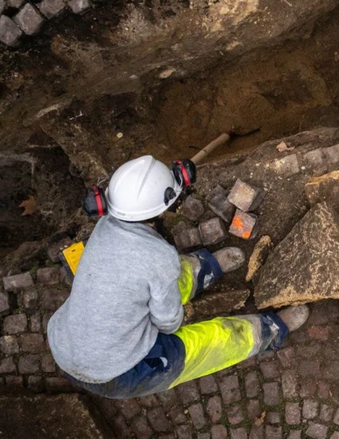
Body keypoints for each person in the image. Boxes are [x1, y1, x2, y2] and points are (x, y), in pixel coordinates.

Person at [47, 155, 308, 399]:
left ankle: (205, 270)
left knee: (165, 278)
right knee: (209, 342)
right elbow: (169, 323)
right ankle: (267, 331)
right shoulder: (157, 255)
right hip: (117, 372)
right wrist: (172, 313)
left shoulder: (106, 226)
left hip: (66, 341)